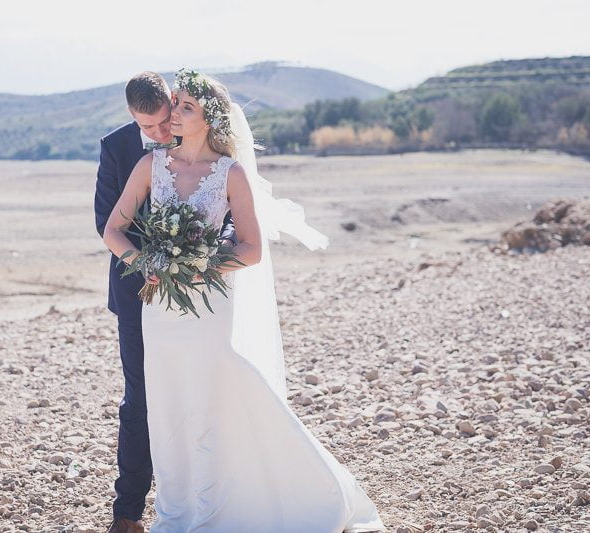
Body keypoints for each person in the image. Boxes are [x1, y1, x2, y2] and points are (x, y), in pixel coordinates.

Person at [102, 69, 387, 532]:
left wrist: (199, 267)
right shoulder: (149, 167)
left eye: (184, 107)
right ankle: (178, 511)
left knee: (215, 396)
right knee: (167, 402)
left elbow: (251, 250)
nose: (172, 113)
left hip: (210, 308)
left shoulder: (230, 173)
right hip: (160, 308)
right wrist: (146, 262)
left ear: (210, 117)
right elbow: (113, 230)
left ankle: (235, 503)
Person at [94, 71, 237, 533]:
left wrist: (202, 257)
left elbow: (232, 220)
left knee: (200, 395)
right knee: (140, 400)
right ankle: (128, 512)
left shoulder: (205, 147)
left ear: (175, 103)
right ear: (132, 117)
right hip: (140, 294)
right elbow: (108, 223)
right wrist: (152, 260)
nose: (160, 134)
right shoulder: (116, 148)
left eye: (164, 122)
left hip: (202, 296)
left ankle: (210, 502)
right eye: (148, 127)